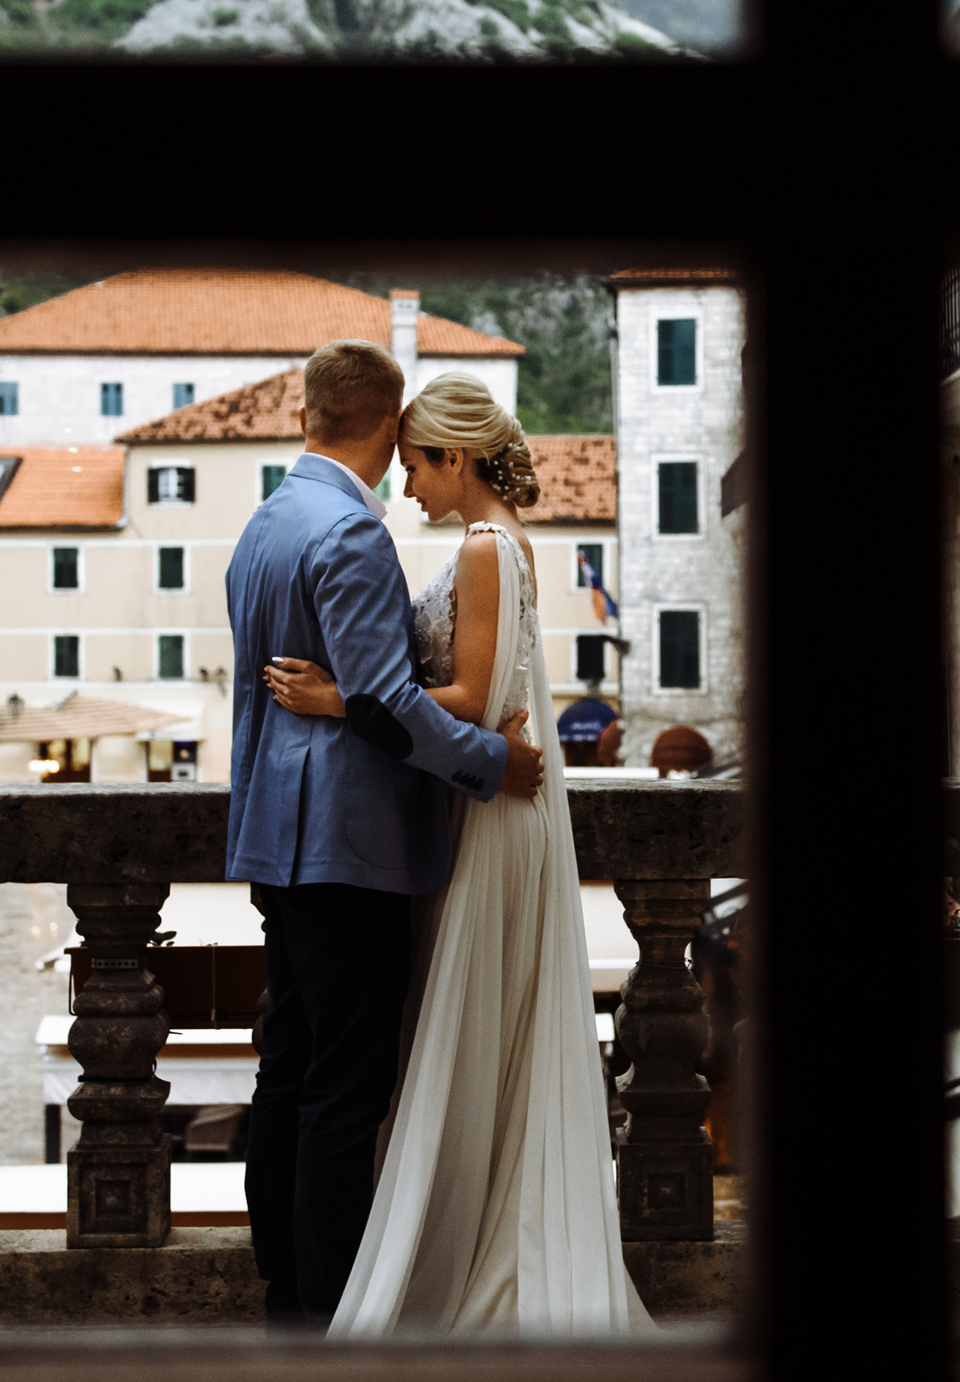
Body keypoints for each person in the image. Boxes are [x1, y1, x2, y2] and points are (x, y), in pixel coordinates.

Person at [266, 371, 651, 1335]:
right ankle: (485, 1231)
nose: (407, 488)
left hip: (487, 814)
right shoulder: (502, 543)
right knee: (479, 1030)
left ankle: (460, 1253)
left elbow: (477, 700)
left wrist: (342, 701)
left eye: (416, 467)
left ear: (456, 457)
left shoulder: (484, 546)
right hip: (483, 804)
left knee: (469, 1026)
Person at [224, 340, 546, 1328]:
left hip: (272, 839)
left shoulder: (262, 526)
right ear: (385, 419)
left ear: (309, 413)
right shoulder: (352, 535)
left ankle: (283, 1278)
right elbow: (389, 701)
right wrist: (494, 763)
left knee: (288, 1065)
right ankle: (328, 1305)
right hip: (348, 845)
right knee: (344, 1086)